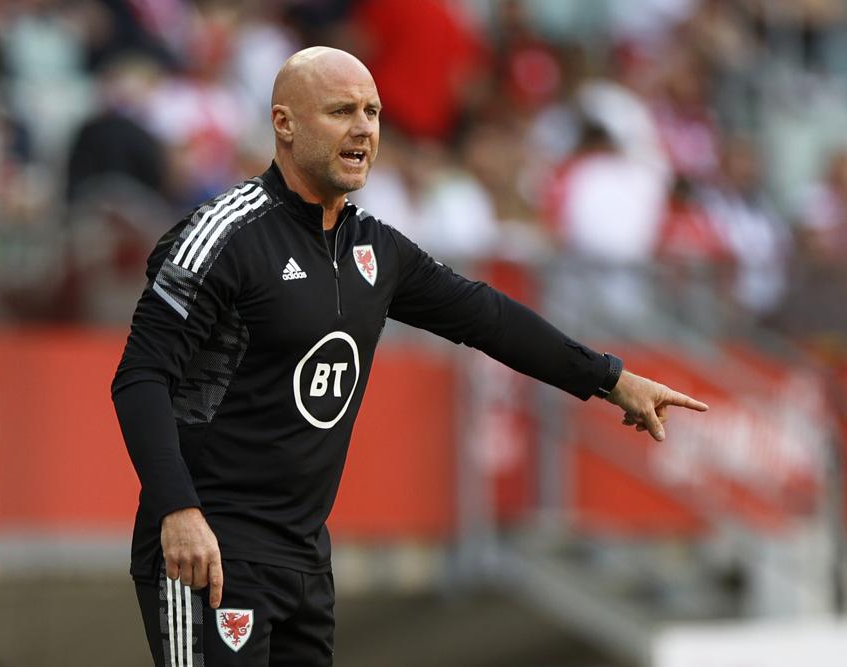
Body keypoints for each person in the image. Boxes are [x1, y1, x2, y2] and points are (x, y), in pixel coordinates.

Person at [111, 46, 709, 667]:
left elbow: (488, 319)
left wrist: (610, 379)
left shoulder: (376, 249)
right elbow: (141, 376)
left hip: (304, 559)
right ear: (284, 124)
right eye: (341, 111)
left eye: (371, 112)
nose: (363, 128)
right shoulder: (224, 235)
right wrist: (178, 509)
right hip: (210, 547)